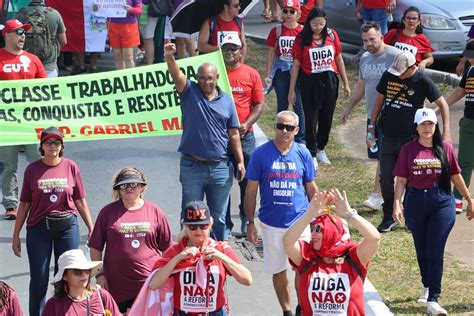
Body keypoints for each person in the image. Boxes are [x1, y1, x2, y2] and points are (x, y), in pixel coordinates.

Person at [392, 107, 473, 315]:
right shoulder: (408, 150)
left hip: (442, 202)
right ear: (416, 126)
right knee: (422, 249)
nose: (427, 128)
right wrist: (396, 203)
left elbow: (456, 175)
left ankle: (433, 298)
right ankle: (427, 284)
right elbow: (401, 180)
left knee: (434, 250)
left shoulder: (444, 148)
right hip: (416, 201)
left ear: (435, 126)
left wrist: (469, 199)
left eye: (430, 124)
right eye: (423, 124)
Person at [164, 42, 245, 241]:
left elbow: (233, 133)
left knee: (217, 217)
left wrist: (240, 161)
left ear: (217, 78)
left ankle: (217, 258)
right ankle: (187, 254)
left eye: (209, 78)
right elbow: (176, 75)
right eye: (201, 78)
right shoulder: (190, 92)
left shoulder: (226, 101)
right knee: (190, 214)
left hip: (220, 168)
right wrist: (169, 57)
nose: (205, 82)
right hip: (192, 166)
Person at [11, 127, 94, 316]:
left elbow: (80, 201)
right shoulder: (32, 169)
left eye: (56, 142)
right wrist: (16, 235)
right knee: (39, 280)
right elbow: (24, 204)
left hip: (67, 228)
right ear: (41, 146)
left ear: (62, 146)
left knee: (67, 278)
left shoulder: (71, 166)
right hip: (39, 230)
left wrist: (92, 228)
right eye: (48, 142)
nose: (52, 146)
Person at [244, 111, 318, 316]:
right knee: (278, 270)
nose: (284, 131)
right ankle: (286, 311)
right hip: (271, 224)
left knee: (302, 269)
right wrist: (250, 222)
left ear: (297, 130)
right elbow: (251, 191)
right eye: (280, 126)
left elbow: (311, 188)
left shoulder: (302, 153)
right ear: (275, 127)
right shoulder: (261, 154)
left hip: (299, 222)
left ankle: (302, 308)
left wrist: (318, 217)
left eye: (289, 127)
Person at [369, 51, 451, 232]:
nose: (398, 75)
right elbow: (379, 101)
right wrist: (371, 127)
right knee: (386, 178)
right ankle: (389, 215)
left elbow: (443, 104)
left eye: (403, 72)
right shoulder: (389, 75)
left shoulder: (422, 80)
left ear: (413, 67)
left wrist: (446, 133)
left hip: (410, 138)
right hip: (388, 136)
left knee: (411, 179)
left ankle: (410, 215)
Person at [89, 167, 172, 314]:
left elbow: (167, 248)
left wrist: (165, 276)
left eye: (133, 184)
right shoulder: (107, 212)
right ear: (118, 189)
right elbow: (95, 246)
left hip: (148, 283)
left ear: (142, 186)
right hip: (115, 285)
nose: (128, 188)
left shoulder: (155, 211)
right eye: (124, 185)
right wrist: (99, 275)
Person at [283, 189, 380, 315]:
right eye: (312, 229)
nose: (313, 233)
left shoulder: (353, 258)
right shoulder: (307, 257)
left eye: (318, 228)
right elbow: (287, 242)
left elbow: (374, 239)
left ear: (334, 231)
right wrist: (309, 215)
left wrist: (350, 214)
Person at [149, 200, 252, 315]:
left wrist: (222, 258)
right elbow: (154, 284)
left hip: (215, 312)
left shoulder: (221, 249)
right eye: (193, 227)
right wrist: (178, 258)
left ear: (210, 225)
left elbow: (247, 280)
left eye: (203, 226)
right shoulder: (176, 251)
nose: (198, 231)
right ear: (185, 227)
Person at [340, 22, 399, 210]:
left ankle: (378, 195)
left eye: (372, 39)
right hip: (372, 117)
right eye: (365, 41)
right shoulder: (365, 59)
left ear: (382, 37)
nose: (369, 44)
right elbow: (361, 86)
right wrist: (349, 108)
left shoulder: (395, 56)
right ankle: (383, 195)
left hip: (393, 115)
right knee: (381, 156)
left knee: (386, 156)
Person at [289, 7, 351, 166]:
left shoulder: (332, 35)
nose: (318, 28)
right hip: (309, 80)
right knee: (311, 118)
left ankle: (321, 148)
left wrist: (345, 83)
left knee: (327, 117)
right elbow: (296, 64)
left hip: (329, 79)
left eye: (321, 24)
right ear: (308, 23)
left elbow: (338, 58)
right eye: (315, 24)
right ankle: (312, 153)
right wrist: (291, 89)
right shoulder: (301, 38)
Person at [0, 19, 46, 220]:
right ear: (7, 35)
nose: (23, 36)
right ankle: (10, 204)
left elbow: (46, 90)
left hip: (30, 122)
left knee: (38, 161)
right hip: (6, 123)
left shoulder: (33, 59)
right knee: (8, 165)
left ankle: (41, 199)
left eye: (24, 32)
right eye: (18, 32)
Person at [222, 34, 265, 236]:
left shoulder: (251, 74)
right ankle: (224, 224)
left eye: (234, 48)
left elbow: (259, 104)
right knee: (222, 180)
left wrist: (246, 124)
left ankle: (247, 219)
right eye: (226, 48)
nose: (230, 52)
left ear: (241, 51)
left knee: (246, 180)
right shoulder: (215, 73)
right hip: (220, 137)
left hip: (244, 135)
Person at [265, 0, 305, 144]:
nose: (288, 14)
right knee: (282, 103)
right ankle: (280, 134)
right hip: (281, 70)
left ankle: (300, 139)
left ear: (298, 14)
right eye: (285, 11)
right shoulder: (277, 30)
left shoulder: (302, 31)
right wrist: (268, 74)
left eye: (292, 11)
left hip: (298, 71)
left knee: (298, 104)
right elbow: (270, 53)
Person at [42, 249, 122, 315]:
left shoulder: (103, 296)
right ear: (64, 276)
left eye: (86, 270)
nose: (84, 274)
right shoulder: (53, 306)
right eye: (77, 271)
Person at [446, 41, 474, 214]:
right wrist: (440, 108)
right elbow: (460, 91)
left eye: (472, 56)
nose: (470, 59)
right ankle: (456, 198)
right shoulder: (470, 70)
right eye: (469, 56)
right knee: (464, 162)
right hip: (469, 123)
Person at [15, 0, 67, 77]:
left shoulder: (20, 14)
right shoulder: (54, 13)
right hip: (49, 66)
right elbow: (63, 41)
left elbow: (14, 40)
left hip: (26, 66)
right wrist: (49, 49)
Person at [384, 6, 434, 71]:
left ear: (418, 22)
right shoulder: (393, 33)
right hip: (392, 72)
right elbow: (381, 49)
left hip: (412, 74)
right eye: (408, 18)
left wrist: (424, 62)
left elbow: (430, 58)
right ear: (404, 20)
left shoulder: (423, 39)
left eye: (414, 18)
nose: (411, 21)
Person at [107, 0, 143, 69]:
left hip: (129, 26)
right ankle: (121, 77)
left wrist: (131, 9)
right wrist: (97, 8)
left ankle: (131, 78)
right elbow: (102, 6)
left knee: (128, 57)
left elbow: (140, 9)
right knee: (117, 56)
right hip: (113, 25)